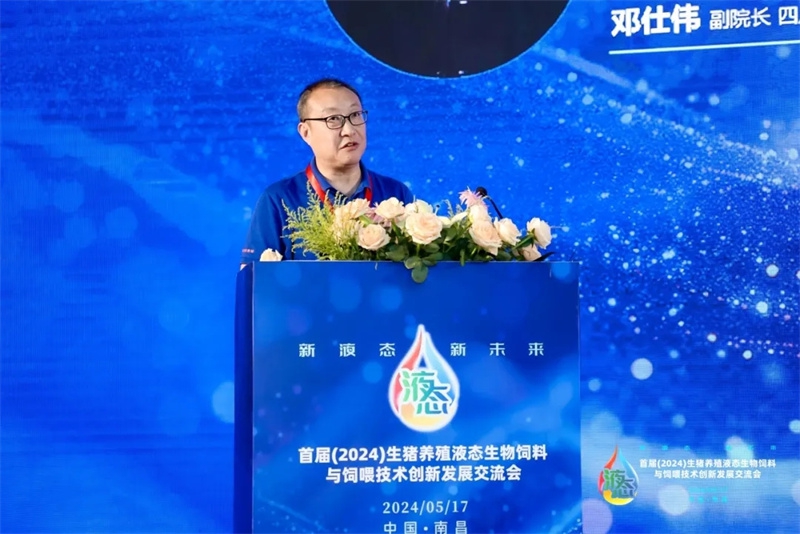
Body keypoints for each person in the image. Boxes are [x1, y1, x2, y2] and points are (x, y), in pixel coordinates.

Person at [240, 78, 414, 265]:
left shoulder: (395, 196)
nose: (349, 130)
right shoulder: (279, 200)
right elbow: (253, 277)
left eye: (355, 115)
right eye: (333, 119)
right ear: (306, 132)